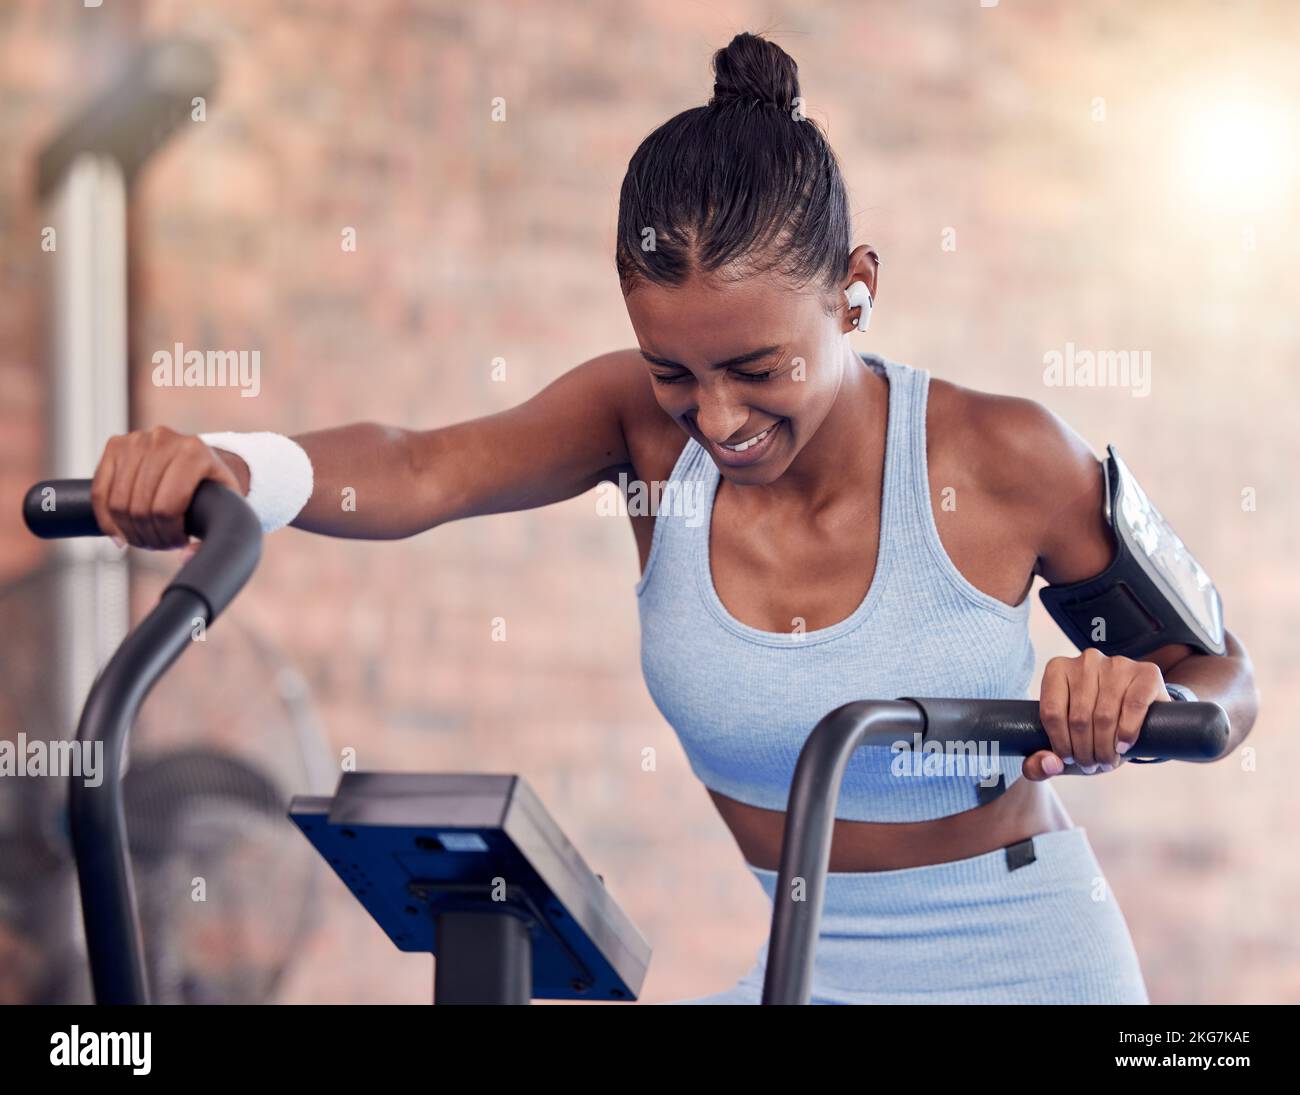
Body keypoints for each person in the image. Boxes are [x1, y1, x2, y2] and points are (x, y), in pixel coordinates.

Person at [87, 31, 1259, 1004]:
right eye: (672, 371)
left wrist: (1142, 693)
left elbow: (1220, 676)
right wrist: (225, 465)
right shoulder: (638, 431)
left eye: (756, 368)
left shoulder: (1003, 455)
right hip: (801, 974)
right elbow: (419, 468)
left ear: (854, 288)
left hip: (1025, 970)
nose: (714, 417)